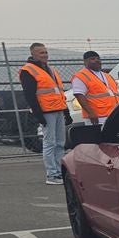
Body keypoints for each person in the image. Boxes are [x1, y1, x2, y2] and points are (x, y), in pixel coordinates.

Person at [19, 42, 71, 185]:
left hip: (58, 109)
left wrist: (66, 112)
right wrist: (39, 115)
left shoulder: (50, 69)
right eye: (41, 53)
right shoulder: (28, 71)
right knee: (50, 143)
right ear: (33, 54)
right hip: (46, 111)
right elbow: (30, 95)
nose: (45, 55)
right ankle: (52, 174)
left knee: (60, 143)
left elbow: (59, 92)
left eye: (46, 52)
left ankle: (60, 171)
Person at [70, 51, 119, 125]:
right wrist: (90, 113)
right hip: (97, 117)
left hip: (113, 114)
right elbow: (79, 95)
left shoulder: (107, 76)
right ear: (85, 62)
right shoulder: (81, 76)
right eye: (92, 59)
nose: (97, 60)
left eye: (98, 59)